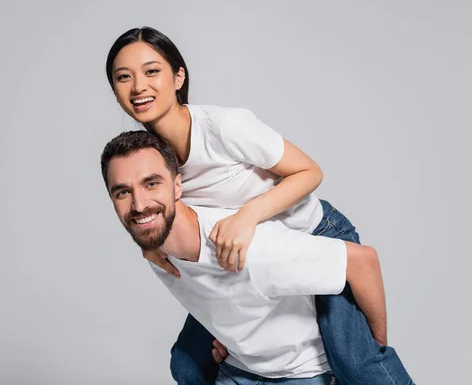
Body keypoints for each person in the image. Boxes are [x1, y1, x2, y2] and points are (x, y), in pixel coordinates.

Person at [104, 26, 412, 384]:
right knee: (188, 364)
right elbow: (150, 207)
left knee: (358, 364)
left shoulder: (224, 127)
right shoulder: (151, 158)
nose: (138, 86)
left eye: (151, 71)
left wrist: (247, 217)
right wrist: (154, 246)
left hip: (315, 233)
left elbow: (309, 172)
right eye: (123, 77)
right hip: (251, 262)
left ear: (178, 76)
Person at [100, 131, 414, 384]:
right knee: (184, 364)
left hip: (300, 374)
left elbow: (362, 261)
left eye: (151, 183)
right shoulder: (155, 244)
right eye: (122, 192)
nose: (140, 204)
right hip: (242, 369)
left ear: (178, 186)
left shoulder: (251, 249)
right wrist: (227, 334)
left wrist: (374, 348)